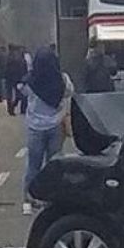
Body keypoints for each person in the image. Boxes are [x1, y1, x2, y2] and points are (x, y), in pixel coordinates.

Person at [18, 49, 73, 216]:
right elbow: (70, 92)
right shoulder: (63, 79)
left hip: (35, 127)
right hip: (56, 125)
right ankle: (53, 198)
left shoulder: (30, 81)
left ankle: (28, 199)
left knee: (33, 165)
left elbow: (21, 90)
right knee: (55, 164)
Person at [5, 44, 28, 115]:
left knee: (9, 94)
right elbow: (23, 68)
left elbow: (5, 68)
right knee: (20, 93)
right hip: (18, 78)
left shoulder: (7, 57)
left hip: (9, 78)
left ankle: (10, 109)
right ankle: (22, 108)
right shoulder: (19, 57)